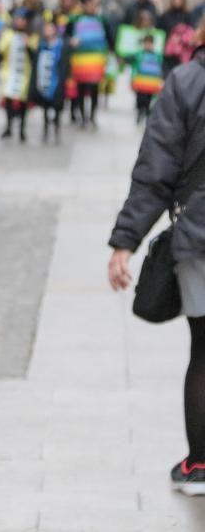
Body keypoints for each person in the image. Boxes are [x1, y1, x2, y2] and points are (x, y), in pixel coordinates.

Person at [107, 26, 205, 498]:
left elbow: (156, 171)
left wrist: (125, 240)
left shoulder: (186, 83)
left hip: (200, 234)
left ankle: (200, 465)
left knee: (204, 350)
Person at [64, 0, 112, 129]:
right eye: (93, 3)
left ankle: (92, 116)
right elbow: (65, 37)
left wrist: (113, 54)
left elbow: (110, 38)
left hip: (96, 60)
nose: (95, 6)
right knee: (80, 88)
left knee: (95, 88)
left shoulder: (102, 19)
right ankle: (83, 116)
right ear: (85, 3)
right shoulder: (74, 19)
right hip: (80, 60)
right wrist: (70, 41)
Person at [0, 9, 37, 142]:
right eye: (18, 19)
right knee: (8, 100)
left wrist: (28, 45)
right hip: (9, 72)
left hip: (25, 74)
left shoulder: (32, 36)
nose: (20, 22)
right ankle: (8, 127)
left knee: (23, 102)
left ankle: (22, 130)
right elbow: (0, 52)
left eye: (22, 20)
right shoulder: (8, 34)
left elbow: (34, 57)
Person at [29, 21, 67, 143]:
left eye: (49, 29)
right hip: (43, 81)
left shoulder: (61, 45)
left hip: (56, 81)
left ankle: (56, 131)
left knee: (57, 108)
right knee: (45, 108)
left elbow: (64, 64)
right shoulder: (41, 45)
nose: (47, 32)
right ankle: (45, 131)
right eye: (45, 29)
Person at [128, 33, 164, 124]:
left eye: (150, 43)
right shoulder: (139, 54)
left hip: (150, 83)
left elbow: (159, 68)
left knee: (148, 99)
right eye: (146, 43)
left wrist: (159, 79)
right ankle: (140, 112)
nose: (148, 45)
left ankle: (146, 113)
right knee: (140, 98)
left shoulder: (157, 55)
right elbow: (135, 67)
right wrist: (133, 78)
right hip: (140, 81)